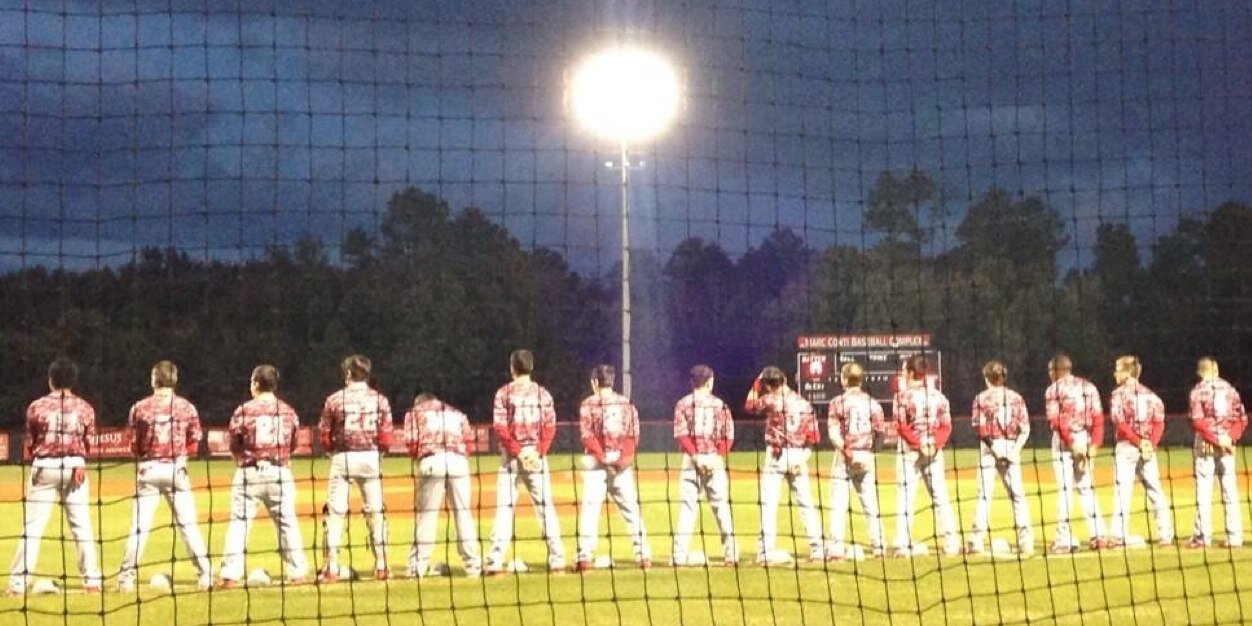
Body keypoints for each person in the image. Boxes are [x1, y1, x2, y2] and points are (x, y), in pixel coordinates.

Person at [6, 358, 103, 596]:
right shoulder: (85, 407)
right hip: (75, 468)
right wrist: (79, 462)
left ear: (50, 380)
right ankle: (91, 582)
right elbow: (89, 444)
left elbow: (30, 445)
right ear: (73, 380)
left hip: (45, 466)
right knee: (82, 527)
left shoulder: (36, 406)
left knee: (33, 528)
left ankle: (17, 585)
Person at [117, 361, 213, 592]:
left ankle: (126, 579)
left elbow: (133, 444)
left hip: (148, 469)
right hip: (176, 469)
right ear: (175, 379)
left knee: (139, 528)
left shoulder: (139, 407)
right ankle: (205, 575)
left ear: (153, 379)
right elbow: (194, 443)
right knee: (188, 526)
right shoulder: (186, 407)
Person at [218, 365, 308, 587]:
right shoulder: (287, 411)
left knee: (239, 523)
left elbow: (234, 443)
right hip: (279, 472)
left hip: (249, 472)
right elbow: (293, 443)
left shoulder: (244, 410)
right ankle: (297, 573)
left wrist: (243, 459)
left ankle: (230, 574)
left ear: (256, 384)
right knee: (287, 523)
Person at [484, 349, 566, 574]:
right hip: (536, 458)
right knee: (545, 507)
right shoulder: (544, 394)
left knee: (504, 508)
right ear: (531, 367)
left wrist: (519, 452)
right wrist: (538, 451)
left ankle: (495, 560)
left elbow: (500, 428)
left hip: (511, 457)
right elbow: (550, 427)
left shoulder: (503, 393)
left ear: (512, 368)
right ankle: (557, 559)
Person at [317, 355, 393, 583]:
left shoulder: (334, 399)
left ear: (348, 373)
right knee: (376, 513)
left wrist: (332, 451)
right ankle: (382, 566)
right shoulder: (380, 400)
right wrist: (379, 452)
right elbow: (387, 436)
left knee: (336, 513)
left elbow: (324, 434)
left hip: (343, 457)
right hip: (370, 457)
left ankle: (331, 567)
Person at [745, 366, 825, 564]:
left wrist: (757, 381)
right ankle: (818, 549)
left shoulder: (770, 400)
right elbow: (815, 437)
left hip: (776, 455)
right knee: (806, 503)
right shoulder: (803, 402)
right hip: (799, 455)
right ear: (785, 379)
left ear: (768, 386)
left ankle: (765, 551)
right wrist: (802, 458)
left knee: (769, 504)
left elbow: (749, 405)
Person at [574, 365, 651, 571]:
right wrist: (622, 460)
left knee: (590, 511)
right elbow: (633, 436)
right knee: (631, 510)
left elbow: (587, 435)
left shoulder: (588, 404)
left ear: (595, 383)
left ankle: (585, 558)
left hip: (596, 465)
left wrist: (603, 458)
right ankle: (643, 556)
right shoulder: (626, 404)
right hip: (621, 466)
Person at [405, 393, 482, 577]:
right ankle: (473, 566)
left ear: (419, 402)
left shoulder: (415, 412)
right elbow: (470, 445)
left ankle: (417, 567)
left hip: (432, 460)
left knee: (426, 517)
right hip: (459, 462)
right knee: (463, 514)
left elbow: (411, 443)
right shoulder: (456, 412)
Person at [671, 364, 739, 567]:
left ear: (692, 382)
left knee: (687, 509)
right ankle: (731, 554)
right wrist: (716, 456)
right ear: (710, 381)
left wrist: (696, 456)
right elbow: (729, 437)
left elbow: (681, 435)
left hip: (691, 462)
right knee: (722, 508)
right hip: (714, 461)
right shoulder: (720, 405)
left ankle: (679, 557)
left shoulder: (682, 404)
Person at [892, 354, 959, 557]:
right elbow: (946, 426)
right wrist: (933, 444)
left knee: (905, 498)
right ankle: (952, 544)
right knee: (941, 497)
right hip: (934, 452)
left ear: (911, 372)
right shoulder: (939, 396)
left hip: (909, 452)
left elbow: (901, 426)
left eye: (905, 369)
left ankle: (903, 545)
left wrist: (918, 443)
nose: (903, 373)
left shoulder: (902, 397)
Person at [965, 360, 1033, 556]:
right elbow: (1025, 429)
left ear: (987, 378)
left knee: (984, 495)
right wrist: (1014, 451)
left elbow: (979, 427)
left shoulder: (981, 398)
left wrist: (994, 448)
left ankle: (977, 541)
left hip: (989, 448)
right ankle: (1026, 542)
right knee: (1018, 495)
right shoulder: (1016, 397)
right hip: (1011, 446)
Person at [1106, 356, 1173, 547]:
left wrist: (1138, 442)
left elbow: (1119, 422)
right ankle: (1166, 534)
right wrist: (1150, 444)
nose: (1115, 373)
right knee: (1155, 490)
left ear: (1127, 372)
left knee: (1122, 491)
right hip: (1148, 450)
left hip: (1127, 447)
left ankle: (1118, 535)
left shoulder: (1118, 394)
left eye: (1118, 369)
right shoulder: (1152, 395)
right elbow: (1159, 423)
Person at [1045, 353, 1108, 554]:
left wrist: (1072, 444)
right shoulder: (1089, 386)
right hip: (1086, 439)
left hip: (1066, 442)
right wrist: (1094, 447)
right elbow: (1098, 418)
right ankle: (1099, 536)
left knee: (1065, 490)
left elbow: (1056, 422)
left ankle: (1063, 540)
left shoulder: (1053, 389)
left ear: (1055, 371)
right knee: (1087, 489)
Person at [826, 362, 887, 560]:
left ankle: (835, 550)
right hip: (866, 455)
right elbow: (881, 434)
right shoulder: (873, 403)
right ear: (861, 380)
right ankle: (879, 546)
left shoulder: (837, 402)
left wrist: (848, 453)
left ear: (844, 379)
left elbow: (834, 434)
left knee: (838, 504)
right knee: (871, 503)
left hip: (845, 457)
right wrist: (871, 455)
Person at [1188, 357, 1246, 548]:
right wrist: (1230, 438)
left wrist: (1216, 438)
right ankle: (1235, 537)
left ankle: (1202, 537)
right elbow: (1241, 419)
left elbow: (1197, 421)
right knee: (1230, 491)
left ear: (1200, 372)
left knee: (1204, 492)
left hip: (1206, 445)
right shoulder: (1230, 389)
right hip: (1227, 446)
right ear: (1216, 369)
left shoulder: (1198, 390)